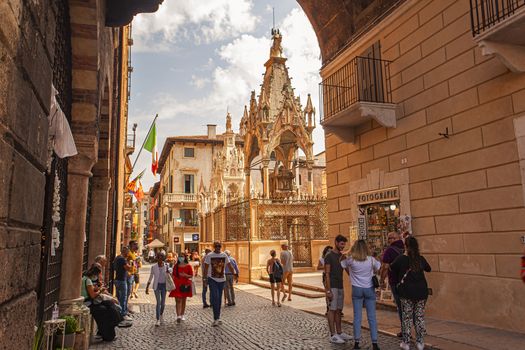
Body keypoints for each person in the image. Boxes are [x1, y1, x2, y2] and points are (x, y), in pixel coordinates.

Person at [390, 236, 431, 350]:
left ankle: (406, 343)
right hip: (421, 292)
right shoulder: (420, 259)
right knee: (419, 317)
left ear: (406, 247)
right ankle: (420, 342)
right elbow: (428, 268)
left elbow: (392, 268)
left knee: (407, 317)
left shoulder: (401, 259)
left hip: (406, 292)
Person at [341, 240, 381, 350]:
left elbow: (342, 263)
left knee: (357, 316)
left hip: (357, 289)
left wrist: (350, 272)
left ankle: (357, 342)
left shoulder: (351, 260)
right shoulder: (371, 260)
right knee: (372, 317)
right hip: (369, 289)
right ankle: (375, 343)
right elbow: (378, 267)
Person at [82, 264, 123, 341]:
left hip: (91, 302)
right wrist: (100, 290)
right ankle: (109, 332)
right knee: (105, 311)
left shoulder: (87, 279)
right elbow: (93, 295)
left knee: (109, 304)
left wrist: (97, 288)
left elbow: (92, 290)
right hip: (88, 303)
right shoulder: (87, 280)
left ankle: (116, 321)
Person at [324, 236, 352, 344]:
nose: (343, 246)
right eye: (341, 244)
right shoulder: (329, 256)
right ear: (336, 242)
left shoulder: (342, 256)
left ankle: (339, 332)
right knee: (332, 310)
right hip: (333, 286)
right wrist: (328, 290)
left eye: (344, 244)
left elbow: (348, 270)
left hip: (340, 286)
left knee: (339, 310)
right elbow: (327, 273)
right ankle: (332, 334)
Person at [203, 241, 238, 326]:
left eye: (219, 246)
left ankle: (217, 317)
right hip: (212, 279)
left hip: (222, 280)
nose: (218, 247)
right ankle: (216, 318)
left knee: (219, 299)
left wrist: (235, 274)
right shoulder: (209, 256)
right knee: (215, 297)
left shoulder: (224, 255)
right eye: (216, 246)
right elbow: (206, 269)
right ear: (214, 247)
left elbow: (230, 266)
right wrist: (204, 279)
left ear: (221, 247)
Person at [380, 231, 405, 338]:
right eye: (389, 238)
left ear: (398, 238)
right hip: (408, 281)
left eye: (392, 238)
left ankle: (405, 330)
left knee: (401, 306)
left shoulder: (389, 250)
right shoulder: (406, 248)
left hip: (395, 281)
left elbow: (385, 267)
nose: (390, 240)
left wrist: (381, 279)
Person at [145, 252, 170, 326]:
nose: (160, 259)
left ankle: (161, 314)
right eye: (158, 257)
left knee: (163, 303)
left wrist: (169, 272)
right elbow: (151, 277)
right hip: (157, 286)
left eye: (161, 257)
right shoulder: (154, 267)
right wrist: (147, 287)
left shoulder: (166, 266)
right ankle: (158, 319)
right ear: (157, 258)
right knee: (158, 303)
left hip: (164, 286)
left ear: (163, 258)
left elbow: (170, 275)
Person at [169, 252, 194, 323]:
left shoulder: (188, 266)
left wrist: (185, 275)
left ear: (185, 257)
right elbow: (173, 275)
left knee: (183, 300)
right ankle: (178, 316)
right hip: (177, 285)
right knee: (178, 300)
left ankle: (182, 314)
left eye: (182, 256)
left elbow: (191, 275)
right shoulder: (176, 266)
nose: (181, 258)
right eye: (180, 256)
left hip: (185, 284)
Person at [113, 246, 132, 320]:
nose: (128, 254)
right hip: (121, 280)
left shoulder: (117, 258)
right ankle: (123, 314)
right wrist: (130, 264)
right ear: (125, 252)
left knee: (118, 297)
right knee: (123, 298)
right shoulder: (122, 259)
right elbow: (128, 268)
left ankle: (118, 313)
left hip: (117, 279)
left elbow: (114, 268)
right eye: (128, 252)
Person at [318, 245, 333, 315]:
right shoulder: (322, 259)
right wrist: (325, 267)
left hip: (333, 276)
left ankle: (335, 308)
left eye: (331, 251)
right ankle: (328, 308)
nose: (330, 252)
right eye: (328, 251)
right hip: (325, 276)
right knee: (328, 292)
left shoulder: (334, 258)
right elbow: (318, 267)